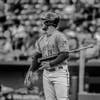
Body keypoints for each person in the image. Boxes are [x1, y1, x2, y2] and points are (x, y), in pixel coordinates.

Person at [24, 12, 70, 100]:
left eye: (44, 21)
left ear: (49, 23)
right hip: (47, 73)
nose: (42, 23)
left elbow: (65, 54)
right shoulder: (41, 39)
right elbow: (37, 57)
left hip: (59, 72)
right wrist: (30, 71)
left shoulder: (59, 36)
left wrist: (50, 64)